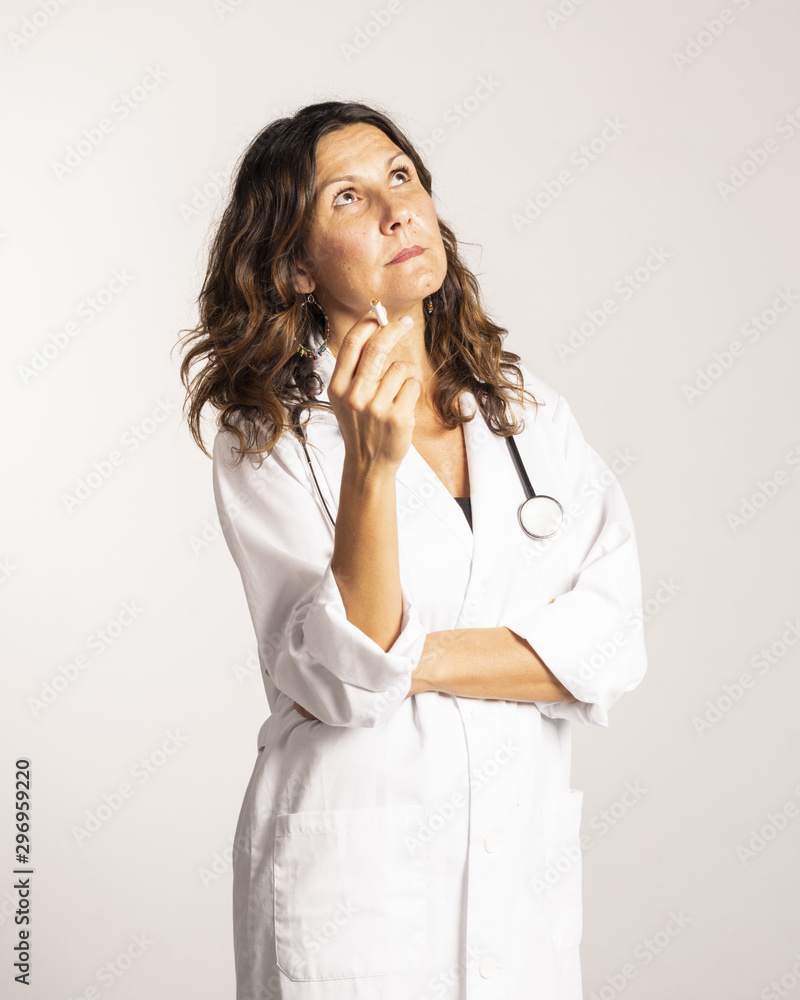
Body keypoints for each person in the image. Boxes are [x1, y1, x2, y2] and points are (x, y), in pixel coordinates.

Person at [177, 100, 648, 1000]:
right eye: (348, 197)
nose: (397, 209)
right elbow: (347, 686)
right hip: (351, 892)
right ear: (297, 265)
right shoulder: (269, 435)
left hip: (518, 884)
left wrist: (405, 657)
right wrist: (370, 465)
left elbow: (611, 647)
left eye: (401, 177)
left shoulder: (528, 415)